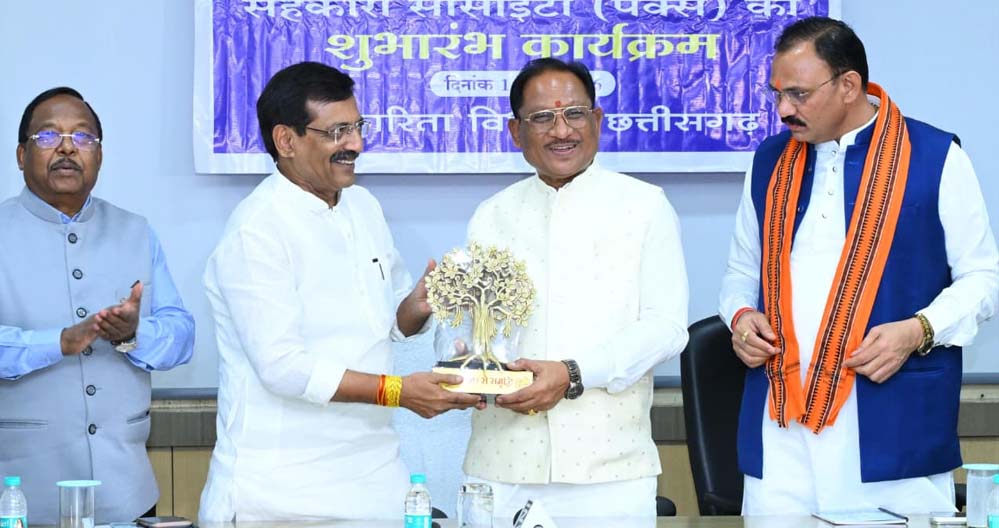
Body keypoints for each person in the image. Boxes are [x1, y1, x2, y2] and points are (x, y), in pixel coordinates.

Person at [719, 17, 999, 515]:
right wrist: (741, 318)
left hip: (891, 421)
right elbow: (741, 273)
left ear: (849, 85)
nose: (783, 110)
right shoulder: (769, 161)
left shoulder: (935, 156)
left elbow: (984, 279)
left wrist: (918, 330)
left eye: (799, 94)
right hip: (781, 427)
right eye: (777, 94)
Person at [198, 61, 482, 522]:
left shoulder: (362, 206)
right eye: (337, 132)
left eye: (357, 127)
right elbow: (283, 368)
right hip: (280, 494)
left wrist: (416, 306)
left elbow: (389, 321)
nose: (356, 144)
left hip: (376, 480)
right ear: (286, 140)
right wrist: (398, 391)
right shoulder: (257, 230)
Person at [458, 58, 690, 519]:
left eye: (575, 114)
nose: (561, 130)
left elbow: (665, 329)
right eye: (542, 117)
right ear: (515, 131)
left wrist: (572, 373)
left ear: (597, 120)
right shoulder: (492, 215)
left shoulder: (644, 206)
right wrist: (468, 360)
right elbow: (478, 331)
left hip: (611, 468)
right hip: (502, 463)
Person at [0, 87, 195, 523]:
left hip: (125, 492)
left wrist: (134, 334)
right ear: (20, 155)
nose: (68, 148)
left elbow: (182, 335)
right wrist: (59, 342)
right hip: (19, 497)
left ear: (100, 156)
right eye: (48, 136)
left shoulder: (136, 230)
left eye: (83, 137)